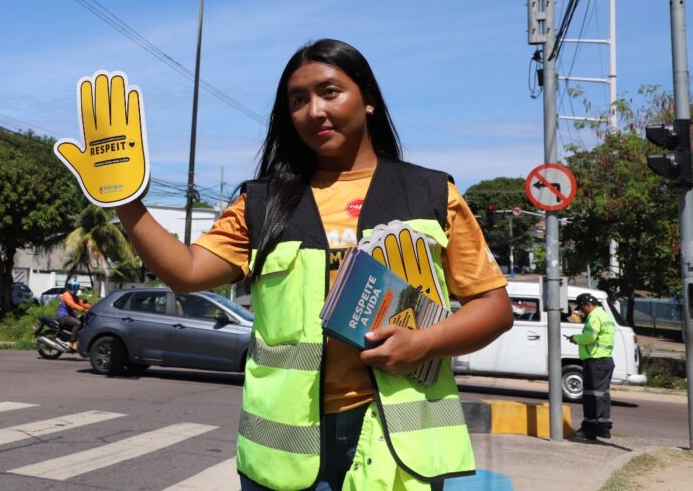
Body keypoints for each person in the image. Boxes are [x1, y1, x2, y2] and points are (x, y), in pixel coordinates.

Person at [113, 39, 514, 491]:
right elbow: (185, 273)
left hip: (397, 443)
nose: (313, 111)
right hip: (285, 449)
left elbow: (494, 308)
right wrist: (126, 202)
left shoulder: (430, 194)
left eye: (329, 92)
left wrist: (422, 343)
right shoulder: (261, 203)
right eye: (298, 100)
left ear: (369, 102)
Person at [566, 292, 615, 441]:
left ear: (588, 305)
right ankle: (603, 428)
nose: (581, 311)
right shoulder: (605, 315)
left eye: (582, 308)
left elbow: (590, 337)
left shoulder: (594, 317)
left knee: (591, 396)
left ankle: (589, 429)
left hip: (595, 361)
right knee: (603, 395)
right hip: (605, 361)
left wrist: (575, 339)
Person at [56, 277, 91, 351]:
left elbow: (81, 303)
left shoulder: (74, 296)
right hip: (63, 316)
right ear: (69, 287)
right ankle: (71, 342)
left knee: (82, 321)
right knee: (77, 323)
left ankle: (75, 339)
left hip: (69, 316)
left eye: (75, 287)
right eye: (72, 286)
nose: (73, 288)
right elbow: (72, 304)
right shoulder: (66, 295)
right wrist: (83, 310)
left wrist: (93, 307)